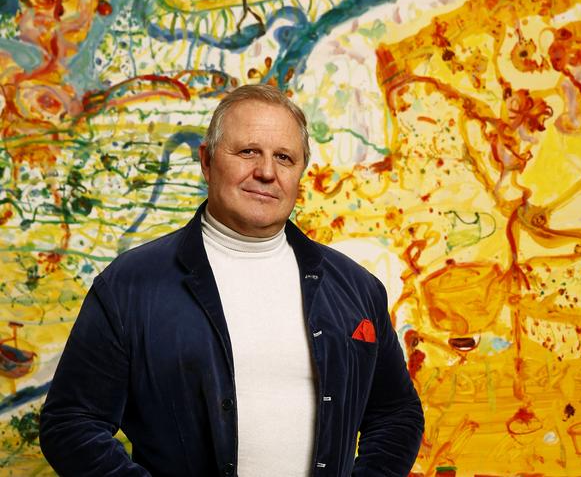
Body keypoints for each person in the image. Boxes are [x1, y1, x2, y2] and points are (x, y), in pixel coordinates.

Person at [39, 84, 424, 476]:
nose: (267, 172)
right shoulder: (130, 286)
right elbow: (71, 423)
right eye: (248, 152)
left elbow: (397, 414)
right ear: (206, 162)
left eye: (284, 158)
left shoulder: (356, 289)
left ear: (300, 174)